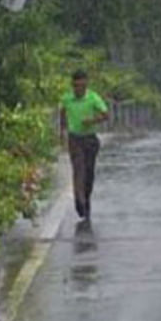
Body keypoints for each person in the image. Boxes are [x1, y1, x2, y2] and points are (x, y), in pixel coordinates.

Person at [59, 70, 109, 222]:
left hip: (90, 139)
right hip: (75, 139)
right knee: (78, 169)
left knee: (89, 173)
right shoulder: (67, 98)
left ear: (86, 84)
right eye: (76, 86)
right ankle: (79, 201)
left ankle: (86, 199)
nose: (78, 89)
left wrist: (92, 121)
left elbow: (105, 115)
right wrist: (62, 130)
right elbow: (62, 112)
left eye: (81, 85)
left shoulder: (93, 97)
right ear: (72, 85)